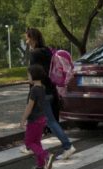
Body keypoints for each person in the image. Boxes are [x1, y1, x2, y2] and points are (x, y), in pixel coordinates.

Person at [23, 28, 75, 160]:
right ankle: (31, 145)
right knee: (35, 118)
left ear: (33, 38)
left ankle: (68, 146)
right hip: (51, 90)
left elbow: (35, 75)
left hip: (41, 92)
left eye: (27, 38)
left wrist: (32, 92)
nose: (26, 40)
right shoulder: (47, 51)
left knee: (50, 122)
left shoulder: (35, 54)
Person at [21, 64, 54, 169]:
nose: (28, 78)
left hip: (33, 120)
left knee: (29, 142)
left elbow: (29, 107)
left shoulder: (34, 90)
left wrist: (23, 120)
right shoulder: (42, 88)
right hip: (41, 119)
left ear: (34, 76)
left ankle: (46, 156)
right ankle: (40, 165)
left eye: (29, 76)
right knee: (37, 142)